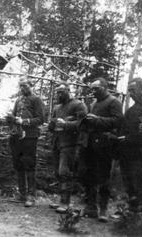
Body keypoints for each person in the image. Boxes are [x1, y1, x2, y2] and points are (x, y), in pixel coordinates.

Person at [79, 77, 123, 222]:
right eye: (92, 89)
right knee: (89, 176)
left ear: (104, 87)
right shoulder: (93, 103)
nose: (93, 91)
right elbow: (90, 122)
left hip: (105, 145)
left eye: (96, 88)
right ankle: (91, 207)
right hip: (90, 144)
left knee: (103, 177)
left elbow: (118, 121)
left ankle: (103, 209)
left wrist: (97, 119)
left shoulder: (114, 102)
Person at [48, 83, 87, 213]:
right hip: (57, 143)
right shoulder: (57, 107)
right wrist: (52, 124)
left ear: (69, 91)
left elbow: (83, 124)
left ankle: (65, 202)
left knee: (64, 172)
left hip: (70, 144)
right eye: (57, 92)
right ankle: (61, 199)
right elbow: (52, 125)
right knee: (57, 173)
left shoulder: (78, 105)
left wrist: (66, 124)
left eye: (62, 92)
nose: (59, 94)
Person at [7, 78, 45, 207]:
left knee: (29, 164)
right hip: (17, 136)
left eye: (25, 86)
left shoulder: (36, 100)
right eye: (20, 86)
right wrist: (11, 118)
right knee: (18, 164)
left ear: (31, 85)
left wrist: (23, 121)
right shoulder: (18, 100)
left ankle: (31, 195)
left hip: (30, 136)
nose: (22, 88)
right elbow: (14, 115)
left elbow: (40, 119)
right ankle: (22, 194)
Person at [120, 78, 142, 213]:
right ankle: (132, 210)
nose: (131, 94)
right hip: (130, 153)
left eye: (133, 90)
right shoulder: (129, 111)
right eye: (129, 91)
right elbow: (124, 130)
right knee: (130, 183)